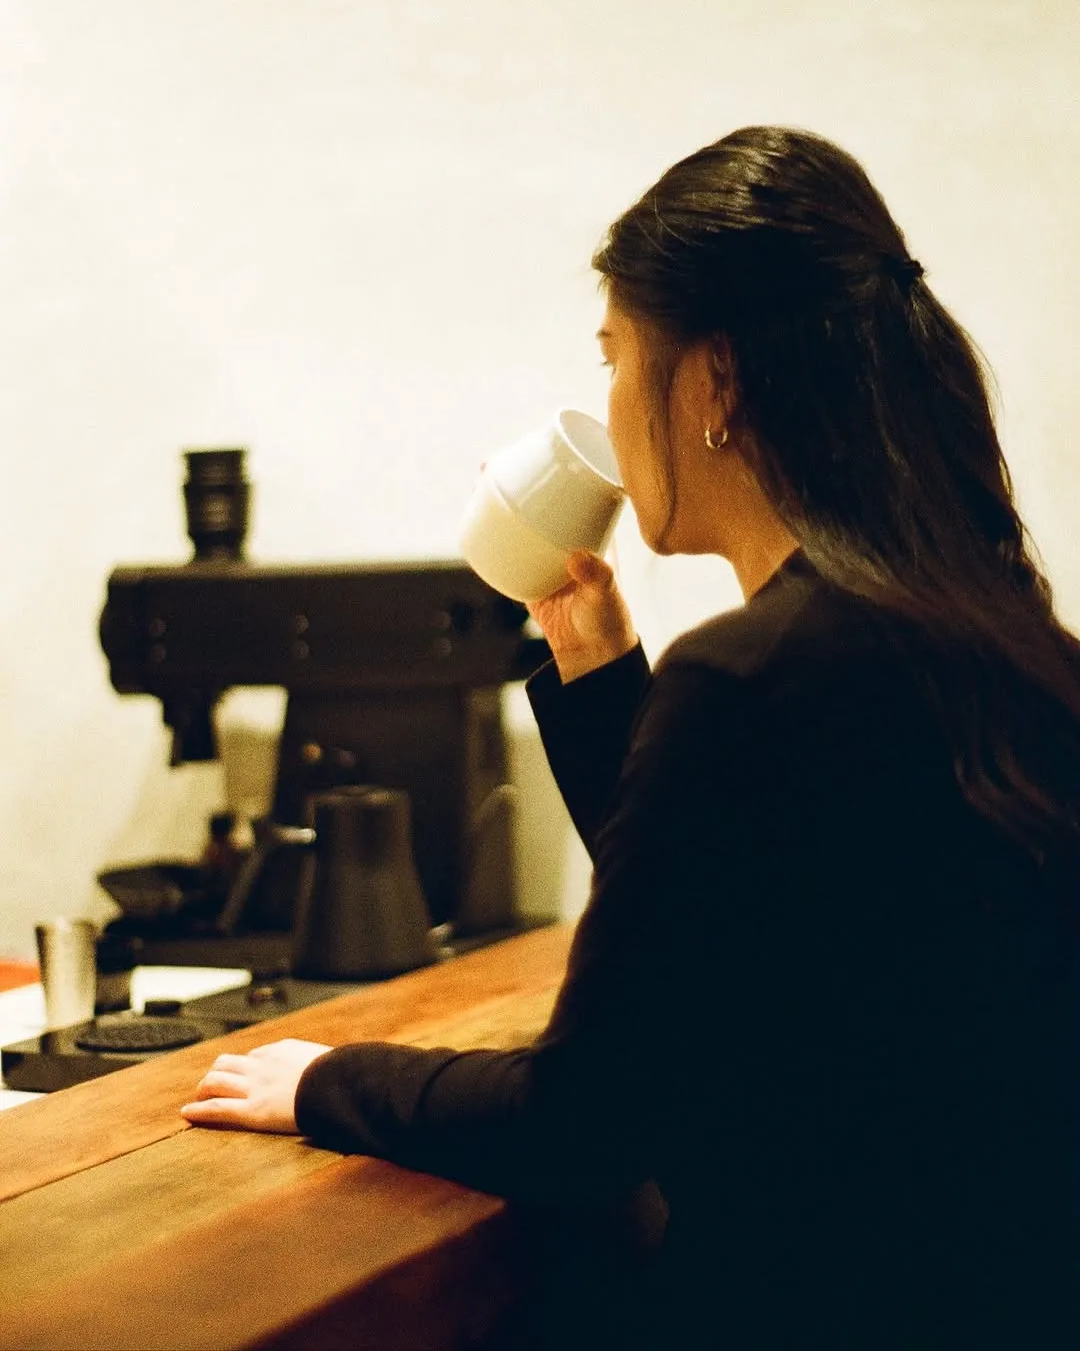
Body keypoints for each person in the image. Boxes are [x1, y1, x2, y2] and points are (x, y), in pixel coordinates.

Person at [182, 127, 1080, 1348]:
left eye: (615, 357)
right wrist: (608, 684)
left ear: (712, 384)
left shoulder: (757, 675)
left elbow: (586, 1121)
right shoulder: (1007, 642)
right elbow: (729, 955)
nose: (607, 400)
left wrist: (330, 1079)